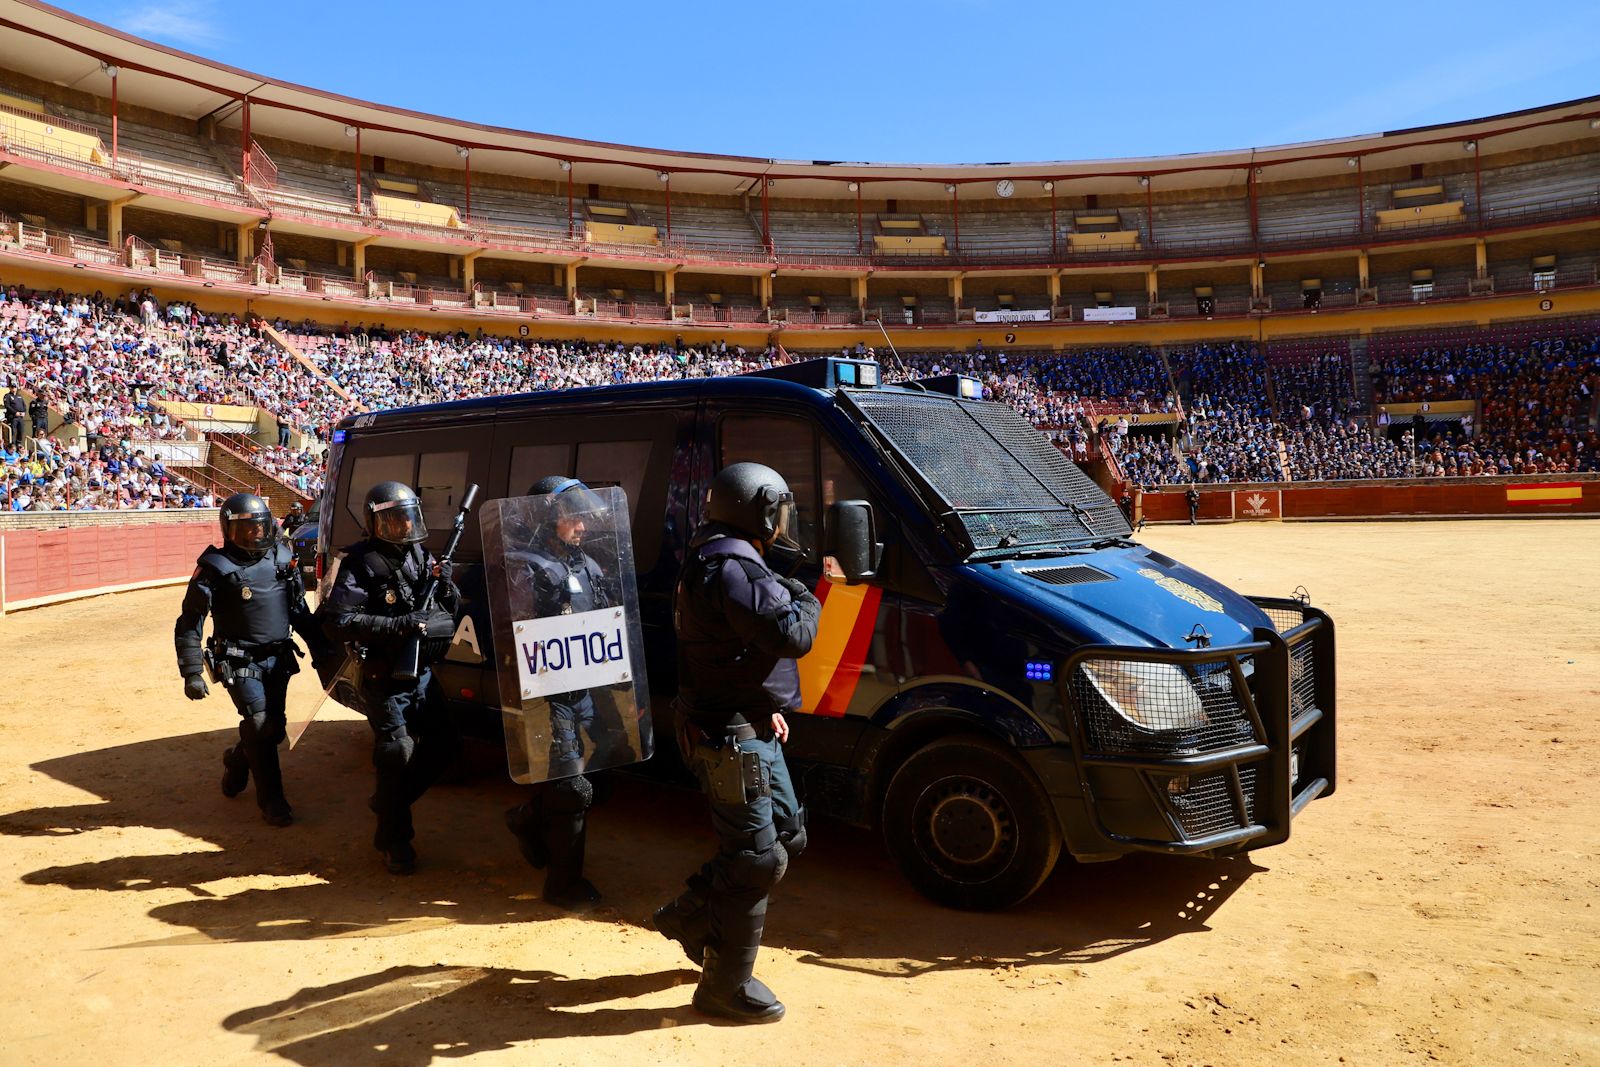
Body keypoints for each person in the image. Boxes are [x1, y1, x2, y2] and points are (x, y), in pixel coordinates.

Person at [652, 461, 821, 1024]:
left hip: (742, 720)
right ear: (759, 510)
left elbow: (728, 654)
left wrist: (762, 706)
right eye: (779, 510)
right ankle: (724, 986)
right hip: (725, 734)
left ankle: (690, 916)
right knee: (755, 858)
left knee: (786, 835)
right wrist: (808, 590)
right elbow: (791, 634)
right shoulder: (733, 567)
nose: (784, 523)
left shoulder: (720, 555)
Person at [318, 481, 462, 875]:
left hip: (421, 674)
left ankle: (388, 802)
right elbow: (340, 621)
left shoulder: (419, 553)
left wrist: (446, 582)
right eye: (394, 519)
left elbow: (448, 606)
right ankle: (394, 839)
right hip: (382, 675)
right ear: (376, 521)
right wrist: (397, 624)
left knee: (446, 745)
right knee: (395, 754)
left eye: (407, 517)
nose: (402, 525)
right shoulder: (359, 562)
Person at [503, 476, 633, 908]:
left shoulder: (587, 565)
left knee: (607, 771)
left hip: (589, 688)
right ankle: (562, 885)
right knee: (571, 789)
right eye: (572, 518)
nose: (582, 528)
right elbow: (516, 635)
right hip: (550, 695)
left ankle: (529, 819)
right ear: (547, 518)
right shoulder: (527, 567)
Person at [174, 493, 322, 826]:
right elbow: (189, 623)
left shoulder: (283, 559)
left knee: (274, 729)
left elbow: (298, 611)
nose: (255, 534)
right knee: (260, 723)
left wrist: (323, 649)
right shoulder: (214, 568)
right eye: (246, 529)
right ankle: (273, 801)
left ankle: (238, 761)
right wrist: (192, 672)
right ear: (229, 531)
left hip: (278, 658)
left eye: (259, 527)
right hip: (238, 660)